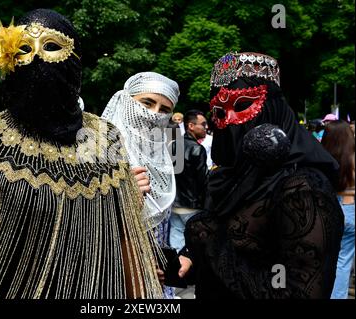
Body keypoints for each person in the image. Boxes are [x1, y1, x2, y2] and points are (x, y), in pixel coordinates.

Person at [0, 9, 163, 299]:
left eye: (51, 47)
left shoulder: (105, 138)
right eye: (24, 49)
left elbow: (126, 244)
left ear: (74, 59)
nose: (37, 58)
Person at [180, 52, 344, 299]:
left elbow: (301, 294)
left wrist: (211, 239)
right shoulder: (228, 179)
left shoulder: (302, 187)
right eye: (220, 112)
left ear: (273, 107)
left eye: (243, 105)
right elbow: (219, 265)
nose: (232, 121)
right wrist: (186, 262)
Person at [101, 71, 180, 298]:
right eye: (147, 103)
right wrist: (119, 193)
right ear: (126, 101)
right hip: (114, 281)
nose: (154, 114)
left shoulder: (162, 158)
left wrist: (161, 264)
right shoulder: (98, 152)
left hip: (155, 284)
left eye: (164, 110)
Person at [321, 120, 355, 299]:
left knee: (325, 259)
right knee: (343, 261)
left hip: (327, 210)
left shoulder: (321, 158)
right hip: (351, 210)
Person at [169, 110, 208, 253]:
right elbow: (203, 180)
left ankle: (177, 270)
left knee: (176, 238)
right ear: (191, 126)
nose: (206, 127)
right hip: (192, 204)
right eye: (203, 124)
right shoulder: (197, 149)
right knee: (195, 242)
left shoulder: (173, 145)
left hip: (174, 202)